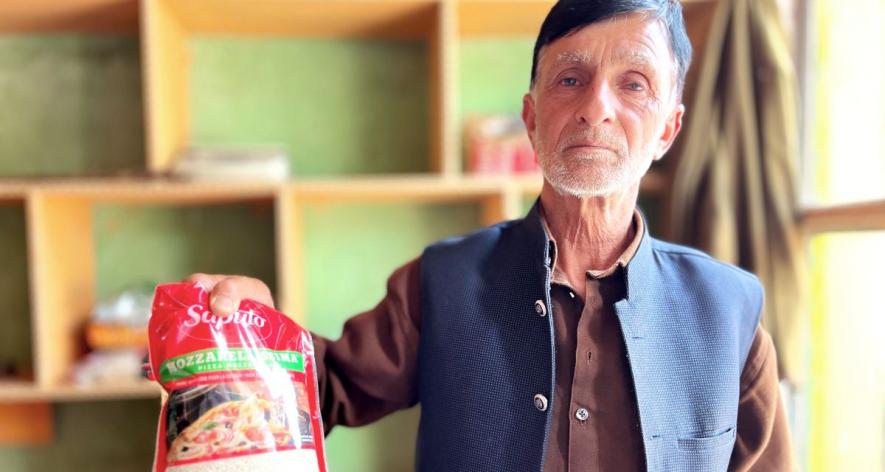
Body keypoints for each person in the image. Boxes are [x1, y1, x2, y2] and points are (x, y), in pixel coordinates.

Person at [186, 1, 794, 470]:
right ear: (532, 120)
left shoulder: (730, 312)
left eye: (633, 84)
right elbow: (324, 390)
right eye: (570, 79)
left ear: (668, 129)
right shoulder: (441, 283)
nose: (596, 108)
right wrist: (246, 334)